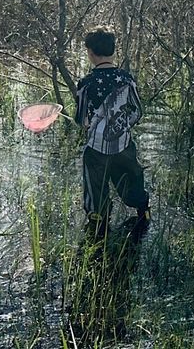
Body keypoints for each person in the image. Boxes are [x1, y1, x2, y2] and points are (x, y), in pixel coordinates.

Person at [75, 26, 150, 239]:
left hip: (96, 150)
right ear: (113, 51)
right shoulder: (126, 79)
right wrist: (121, 127)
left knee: (96, 196)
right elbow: (137, 111)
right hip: (123, 145)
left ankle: (99, 233)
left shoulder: (85, 84)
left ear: (90, 53)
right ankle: (143, 215)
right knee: (132, 184)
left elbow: (81, 119)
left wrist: (91, 125)